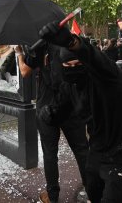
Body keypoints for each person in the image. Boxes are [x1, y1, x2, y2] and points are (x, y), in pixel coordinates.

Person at [38, 20, 122, 203]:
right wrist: (49, 113)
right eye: (68, 66)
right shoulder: (70, 86)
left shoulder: (104, 75)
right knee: (93, 189)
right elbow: (62, 107)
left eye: (77, 63)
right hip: (99, 146)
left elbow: (94, 58)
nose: (73, 69)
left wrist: (71, 42)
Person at [14, 43, 89, 203]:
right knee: (82, 151)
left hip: (46, 108)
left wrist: (19, 53)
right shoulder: (70, 44)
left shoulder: (40, 45)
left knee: (50, 154)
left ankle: (52, 196)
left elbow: (24, 71)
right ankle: (92, 191)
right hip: (71, 106)